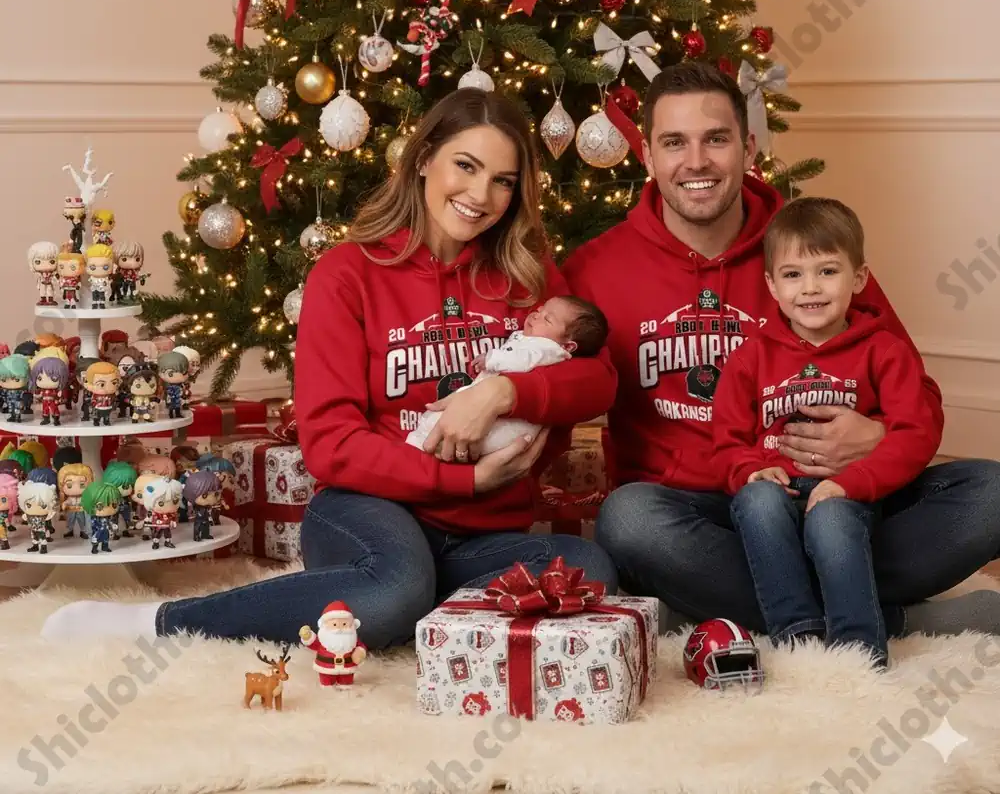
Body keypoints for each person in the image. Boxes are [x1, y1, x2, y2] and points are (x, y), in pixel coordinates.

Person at [40, 89, 619, 648]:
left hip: (482, 533)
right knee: (394, 588)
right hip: (370, 509)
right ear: (423, 159)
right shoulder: (347, 273)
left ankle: (399, 601)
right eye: (465, 166)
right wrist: (463, 480)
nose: (480, 194)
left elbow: (598, 380)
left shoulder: (527, 273)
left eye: (503, 180)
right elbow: (331, 444)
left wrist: (500, 393)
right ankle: (163, 622)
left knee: (587, 570)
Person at [564, 62, 1000, 638]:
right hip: (703, 515)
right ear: (647, 155)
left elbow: (917, 397)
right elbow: (560, 386)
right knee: (629, 519)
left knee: (990, 492)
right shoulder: (594, 268)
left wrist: (877, 436)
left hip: (840, 498)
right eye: (674, 143)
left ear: (747, 148)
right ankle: (883, 618)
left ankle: (762, 608)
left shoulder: (809, 251)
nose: (696, 161)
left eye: (715, 139)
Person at [719, 197, 941, 668]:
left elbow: (915, 432)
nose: (810, 288)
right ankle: (798, 635)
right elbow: (727, 440)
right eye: (793, 274)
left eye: (827, 271)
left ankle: (858, 651)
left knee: (832, 519)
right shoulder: (750, 356)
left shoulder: (884, 350)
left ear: (859, 278)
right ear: (771, 285)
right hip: (776, 494)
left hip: (848, 492)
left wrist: (852, 483)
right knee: (757, 502)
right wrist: (750, 471)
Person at [406, 294, 609, 455]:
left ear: (569, 346)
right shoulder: (535, 339)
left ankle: (420, 445)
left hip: (508, 426)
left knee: (446, 426)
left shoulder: (548, 349)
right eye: (540, 310)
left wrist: (491, 359)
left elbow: (521, 360)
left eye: (547, 319)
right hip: (492, 413)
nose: (536, 315)